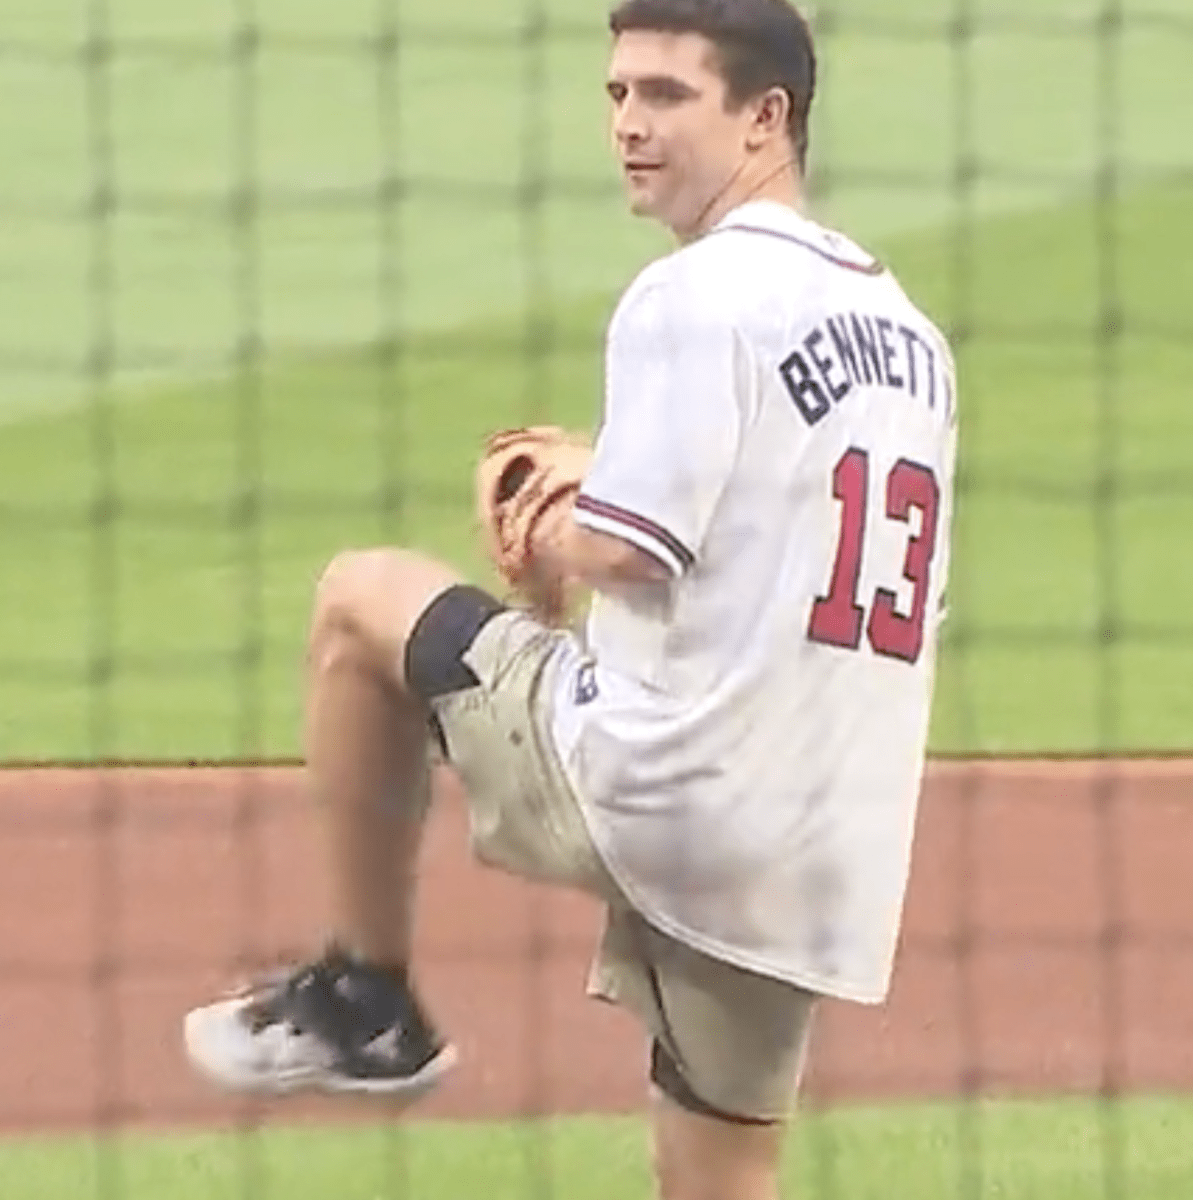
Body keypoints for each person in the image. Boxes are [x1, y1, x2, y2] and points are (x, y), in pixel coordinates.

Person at [184, 1, 957, 1196]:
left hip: (659, 790)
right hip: (819, 849)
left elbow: (631, 553)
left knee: (357, 603)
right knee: (717, 1180)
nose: (630, 127)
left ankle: (366, 999)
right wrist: (610, 473)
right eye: (617, 96)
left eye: (665, 96)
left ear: (768, 116)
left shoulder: (690, 296)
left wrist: (547, 514)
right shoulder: (913, 341)